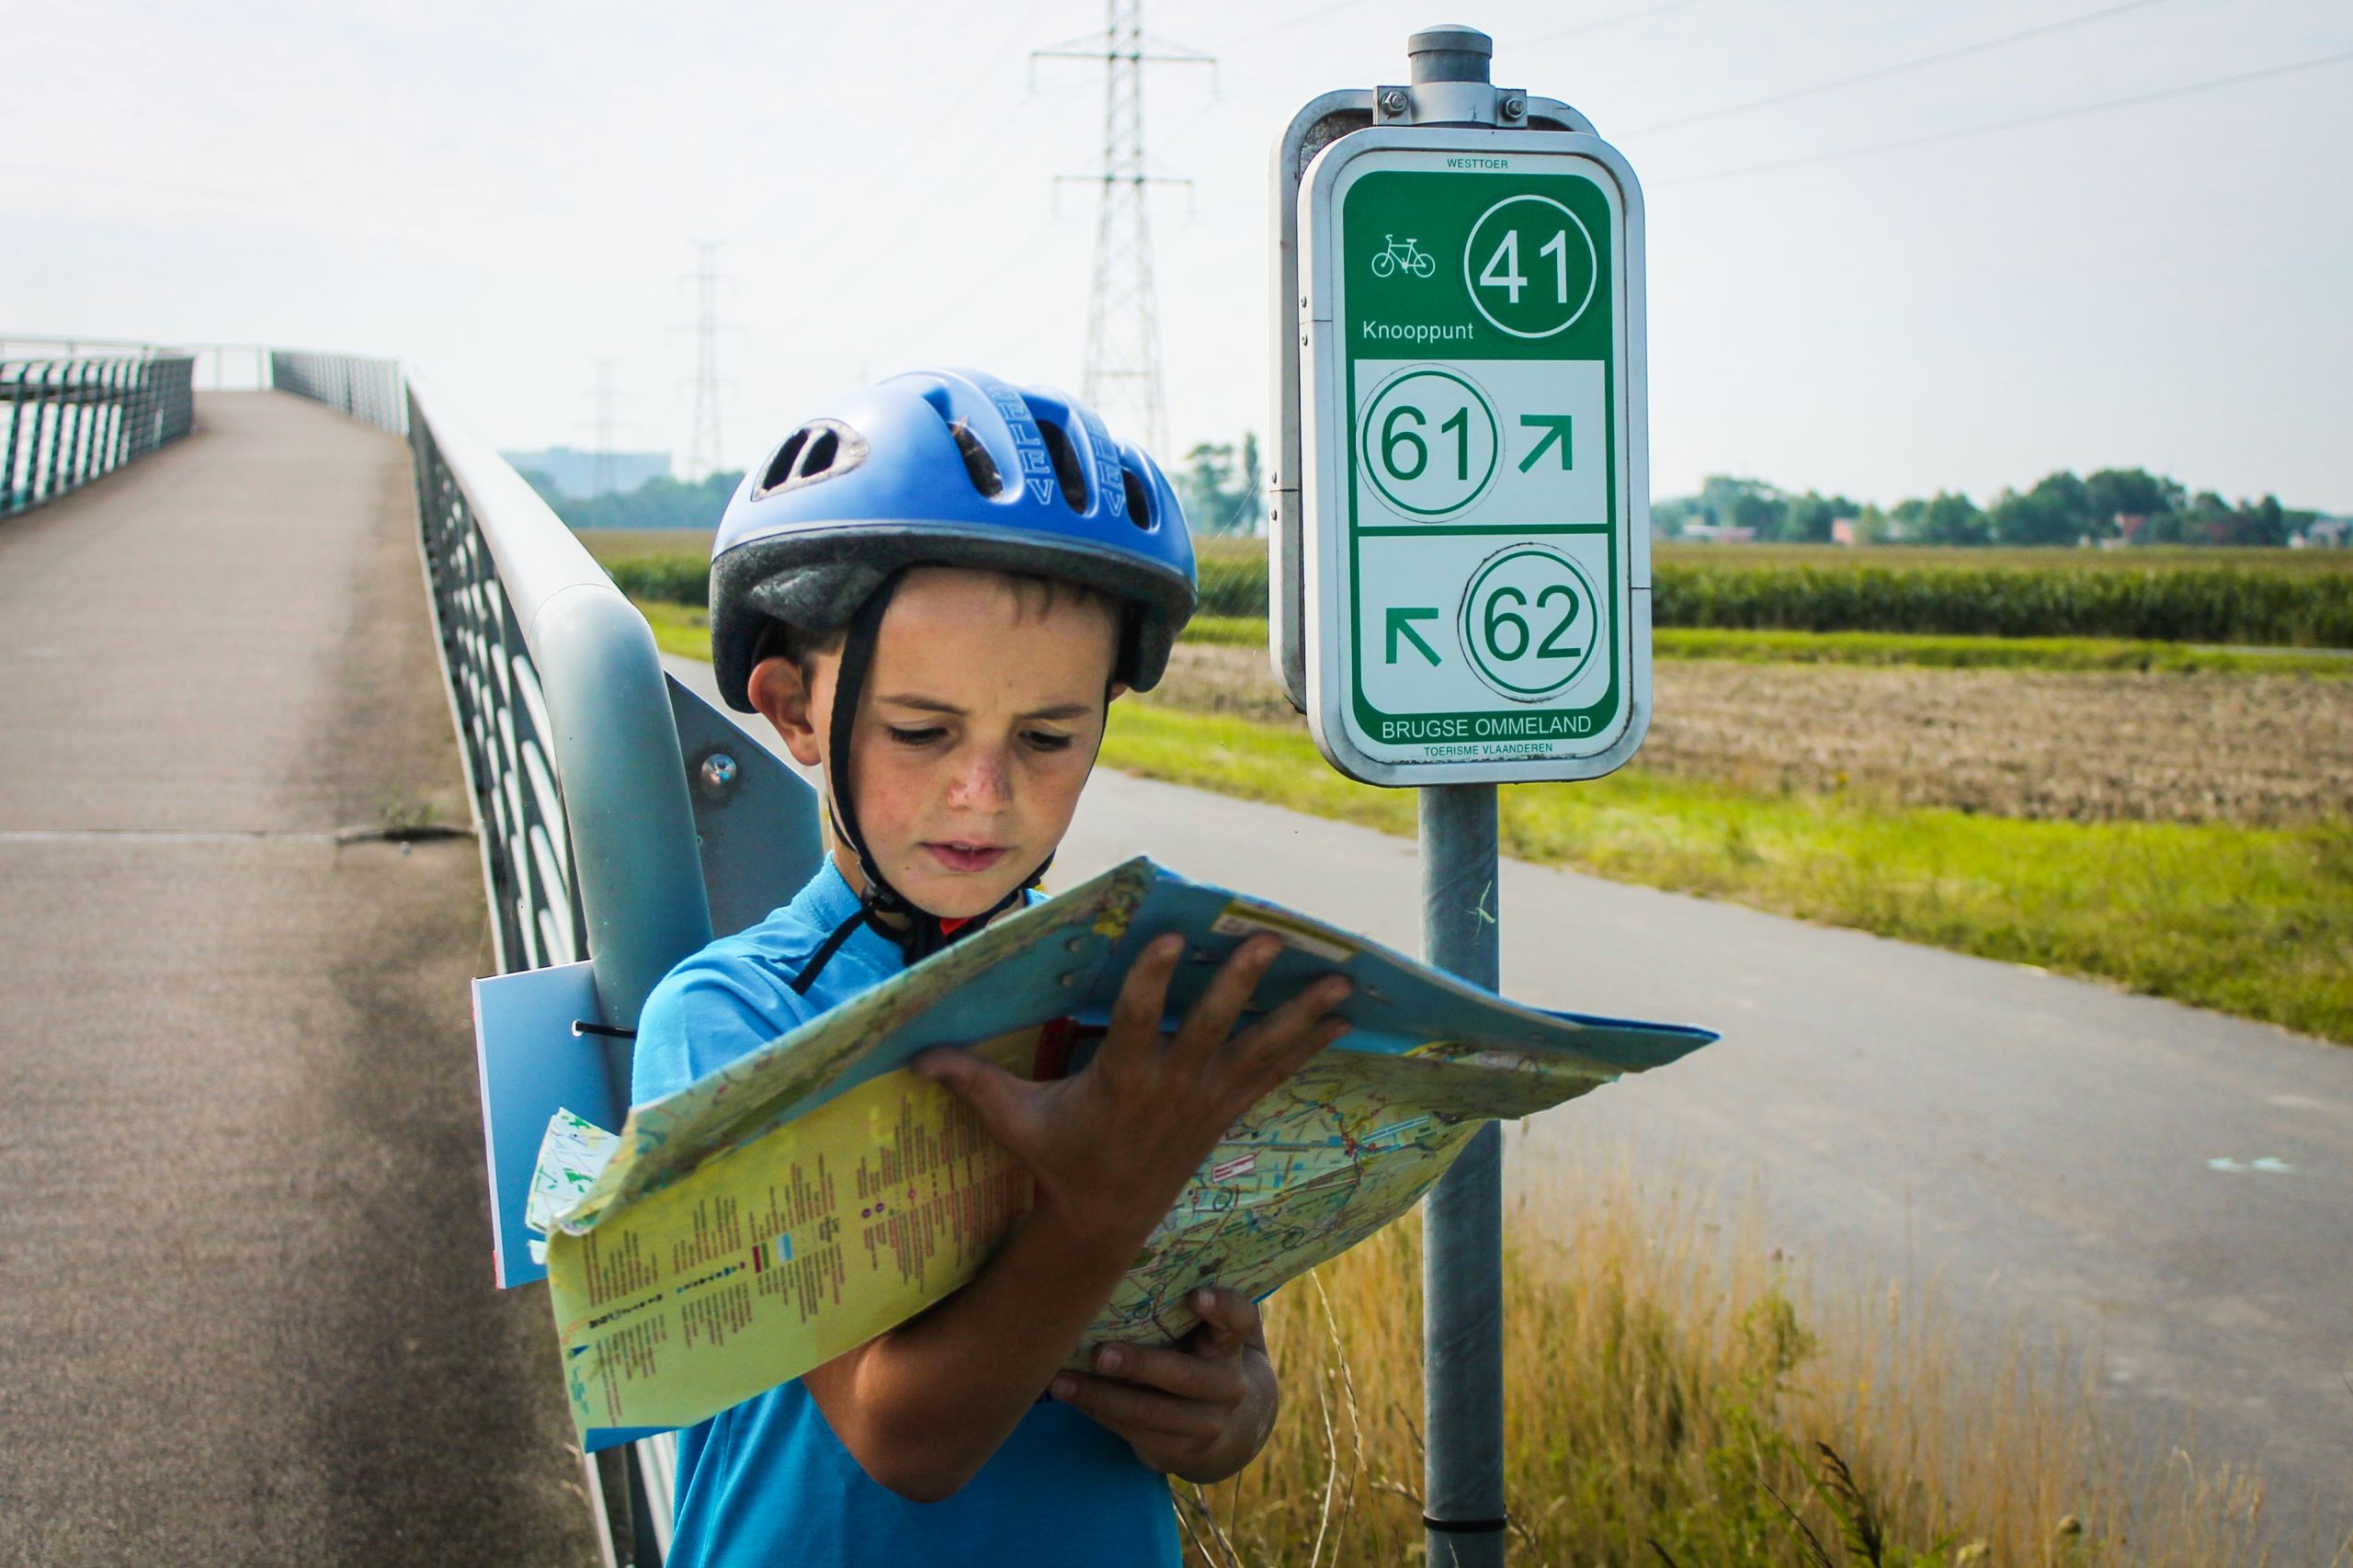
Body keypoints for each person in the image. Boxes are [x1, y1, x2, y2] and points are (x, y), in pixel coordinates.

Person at [631, 368, 1354, 1565]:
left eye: (1048, 737)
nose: (985, 793)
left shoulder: (1120, 1004)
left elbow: (1212, 1344)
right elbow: (901, 1437)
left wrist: (1231, 1412)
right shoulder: (732, 1019)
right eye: (922, 731)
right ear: (794, 711)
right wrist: (1103, 1197)